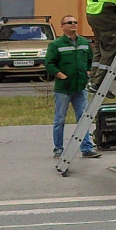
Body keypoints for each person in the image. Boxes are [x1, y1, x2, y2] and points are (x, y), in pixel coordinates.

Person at [44, 15, 100, 159]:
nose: (73, 24)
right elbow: (49, 64)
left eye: (75, 22)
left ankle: (87, 148)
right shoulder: (56, 45)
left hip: (80, 87)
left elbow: (90, 59)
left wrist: (88, 72)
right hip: (63, 88)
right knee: (60, 119)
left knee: (84, 118)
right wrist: (60, 75)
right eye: (69, 23)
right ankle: (58, 148)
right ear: (62, 26)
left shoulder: (83, 42)